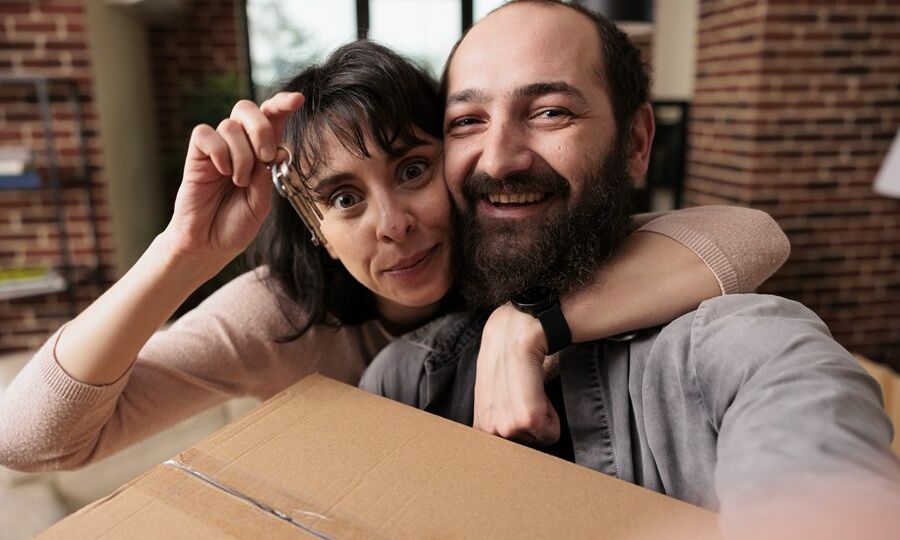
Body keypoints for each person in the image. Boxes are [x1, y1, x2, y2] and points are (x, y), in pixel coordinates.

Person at [0, 41, 788, 473]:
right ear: (311, 222)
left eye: (412, 170)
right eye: (344, 198)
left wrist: (525, 322)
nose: (394, 224)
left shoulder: (508, 239)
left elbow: (753, 236)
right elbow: (34, 439)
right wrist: (179, 253)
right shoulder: (281, 315)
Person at [359, 0, 900, 517]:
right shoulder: (405, 376)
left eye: (550, 112)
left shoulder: (736, 353)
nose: (499, 160)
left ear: (636, 143)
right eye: (467, 121)